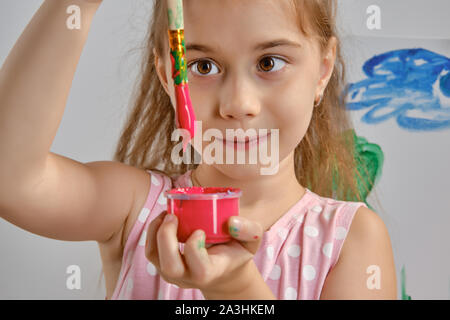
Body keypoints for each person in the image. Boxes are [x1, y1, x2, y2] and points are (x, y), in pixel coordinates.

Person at [0, 0, 397, 300]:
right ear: (167, 77)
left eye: (269, 62)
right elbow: (12, 179)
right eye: (203, 66)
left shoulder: (352, 239)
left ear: (323, 68)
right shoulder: (135, 208)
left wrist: (236, 291)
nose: (238, 103)